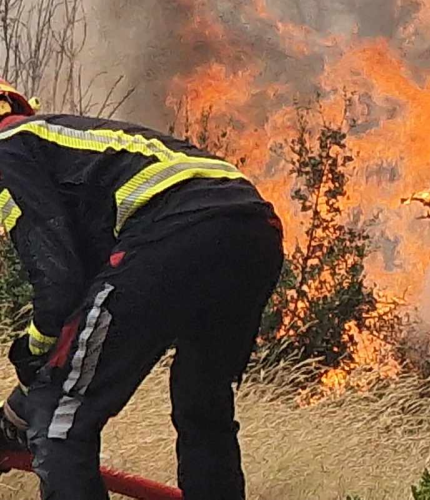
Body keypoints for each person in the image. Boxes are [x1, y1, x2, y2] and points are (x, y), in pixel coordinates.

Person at [0, 79, 283, 500]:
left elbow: (58, 285)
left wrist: (31, 353)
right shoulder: (67, 145)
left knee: (60, 415)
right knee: (202, 405)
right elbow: (82, 318)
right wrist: (16, 412)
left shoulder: (8, 149)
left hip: (177, 227)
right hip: (253, 229)